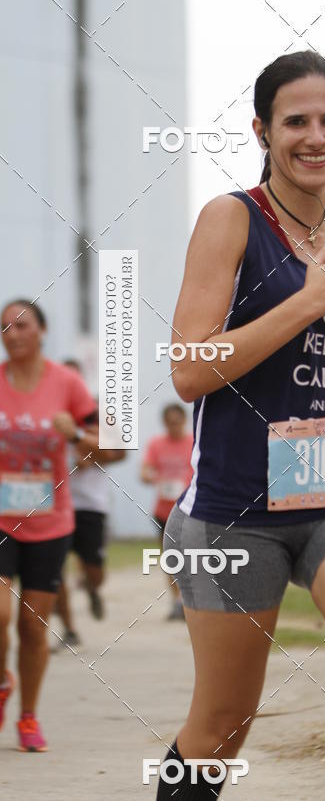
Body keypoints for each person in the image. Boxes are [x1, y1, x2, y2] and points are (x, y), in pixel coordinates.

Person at [155, 50, 325, 800]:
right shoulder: (230, 220)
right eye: (296, 121)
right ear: (262, 130)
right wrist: (309, 299)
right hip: (237, 509)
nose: (317, 136)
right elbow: (188, 370)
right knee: (222, 724)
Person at [0, 300, 97, 751]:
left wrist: (75, 434)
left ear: (41, 330)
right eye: (5, 328)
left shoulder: (68, 384)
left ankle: (28, 716)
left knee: (32, 628)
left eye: (21, 325)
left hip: (50, 522)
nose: (12, 333)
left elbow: (114, 446)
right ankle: (3, 680)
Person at [53, 360, 125, 649]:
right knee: (53, 573)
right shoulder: (46, 412)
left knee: (94, 569)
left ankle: (93, 588)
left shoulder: (96, 413)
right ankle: (69, 629)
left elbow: (120, 452)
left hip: (91, 505)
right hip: (55, 504)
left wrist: (92, 456)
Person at [141, 404, 193, 620]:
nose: (174, 426)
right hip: (164, 511)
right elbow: (145, 471)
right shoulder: (156, 444)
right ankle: (177, 601)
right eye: (169, 422)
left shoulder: (194, 442)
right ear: (164, 423)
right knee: (171, 558)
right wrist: (155, 478)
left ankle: (191, 601)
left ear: (184, 421)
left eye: (177, 421)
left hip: (190, 509)